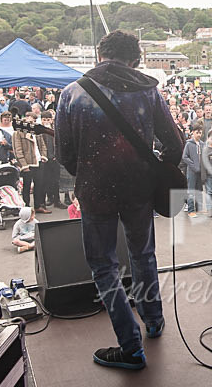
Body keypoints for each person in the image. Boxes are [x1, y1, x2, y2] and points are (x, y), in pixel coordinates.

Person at [55, 30, 184, 370]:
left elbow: (64, 154)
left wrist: (90, 173)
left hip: (95, 193)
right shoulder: (148, 91)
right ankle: (153, 321)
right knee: (143, 253)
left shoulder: (72, 93)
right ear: (134, 59)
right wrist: (155, 168)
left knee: (103, 266)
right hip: (140, 190)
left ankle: (131, 347)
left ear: (101, 54)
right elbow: (174, 142)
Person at [13, 113, 49, 214]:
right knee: (27, 186)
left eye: (33, 122)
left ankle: (38, 206)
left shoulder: (37, 132)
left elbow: (42, 145)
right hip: (28, 164)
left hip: (38, 162)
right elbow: (18, 150)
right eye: (29, 122)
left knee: (39, 185)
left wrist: (43, 156)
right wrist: (24, 165)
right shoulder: (18, 133)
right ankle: (27, 207)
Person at [182, 125, 203, 217]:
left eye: (200, 132)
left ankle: (198, 208)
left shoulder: (202, 144)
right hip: (192, 171)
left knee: (199, 190)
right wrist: (193, 165)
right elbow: (185, 157)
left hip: (201, 171)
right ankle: (191, 210)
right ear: (193, 133)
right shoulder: (189, 144)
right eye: (197, 132)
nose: (199, 134)